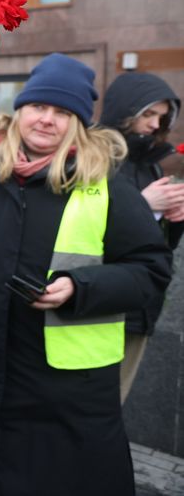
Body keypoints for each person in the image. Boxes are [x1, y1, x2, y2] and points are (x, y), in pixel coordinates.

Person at [0, 53, 173, 496]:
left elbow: (151, 270)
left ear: (79, 123)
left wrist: (81, 287)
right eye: (39, 106)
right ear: (18, 110)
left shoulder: (105, 181)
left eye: (63, 112)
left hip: (64, 396)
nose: (47, 120)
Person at [100, 71, 184, 401]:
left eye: (161, 117)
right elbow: (79, 228)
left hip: (141, 308)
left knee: (113, 404)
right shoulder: (98, 159)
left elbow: (159, 247)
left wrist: (173, 220)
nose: (154, 124)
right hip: (98, 303)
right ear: (124, 110)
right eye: (147, 114)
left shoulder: (151, 164)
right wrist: (144, 205)